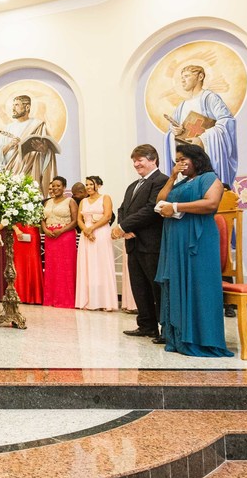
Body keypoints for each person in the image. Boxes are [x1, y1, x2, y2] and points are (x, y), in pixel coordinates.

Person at [155, 143, 234, 357]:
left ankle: (203, 338)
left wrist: (177, 207)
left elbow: (210, 204)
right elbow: (160, 201)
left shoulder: (209, 178)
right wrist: (171, 178)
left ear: (196, 159)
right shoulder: (180, 183)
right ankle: (178, 337)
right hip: (175, 240)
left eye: (183, 159)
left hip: (197, 240)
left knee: (199, 284)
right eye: (176, 161)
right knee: (175, 283)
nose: (179, 164)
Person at [113, 144, 169, 342]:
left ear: (153, 160)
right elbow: (122, 209)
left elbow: (151, 209)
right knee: (139, 287)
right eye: (134, 161)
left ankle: (165, 329)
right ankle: (146, 325)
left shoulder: (161, 181)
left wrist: (124, 227)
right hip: (133, 243)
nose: (136, 164)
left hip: (151, 243)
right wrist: (123, 226)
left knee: (157, 288)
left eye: (140, 160)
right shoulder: (133, 185)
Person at [164, 63, 238, 188]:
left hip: (205, 157)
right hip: (186, 160)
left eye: (186, 76)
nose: (182, 80)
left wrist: (202, 139)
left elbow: (226, 122)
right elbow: (172, 132)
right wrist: (174, 132)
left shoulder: (210, 98)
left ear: (200, 77)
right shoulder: (181, 106)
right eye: (182, 77)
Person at [0, 94, 60, 190]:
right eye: (13, 105)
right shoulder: (8, 128)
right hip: (11, 174)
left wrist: (44, 150)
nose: (13, 108)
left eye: (16, 105)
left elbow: (49, 152)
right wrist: (10, 145)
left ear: (27, 107)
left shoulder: (38, 125)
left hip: (32, 173)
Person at [75, 175, 118, 311]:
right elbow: (79, 219)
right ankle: (88, 300)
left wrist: (92, 228)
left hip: (100, 233)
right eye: (86, 184)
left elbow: (107, 216)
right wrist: (86, 230)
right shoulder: (83, 201)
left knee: (101, 264)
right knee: (87, 265)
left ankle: (106, 302)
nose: (88, 187)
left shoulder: (105, 198)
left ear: (98, 185)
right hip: (86, 234)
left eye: (91, 184)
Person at [41, 176, 78, 308]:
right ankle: (51, 298)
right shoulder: (47, 202)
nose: (56, 188)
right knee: (52, 267)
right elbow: (42, 219)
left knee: (65, 267)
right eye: (54, 186)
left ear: (64, 187)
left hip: (65, 236)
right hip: (50, 236)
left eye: (58, 186)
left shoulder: (70, 201)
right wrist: (45, 229)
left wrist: (61, 231)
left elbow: (75, 221)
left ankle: (65, 299)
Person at [12, 222, 44, 304]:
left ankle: (35, 296)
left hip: (32, 231)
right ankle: (19, 295)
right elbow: (8, 217)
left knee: (34, 262)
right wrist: (16, 229)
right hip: (18, 231)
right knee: (19, 263)